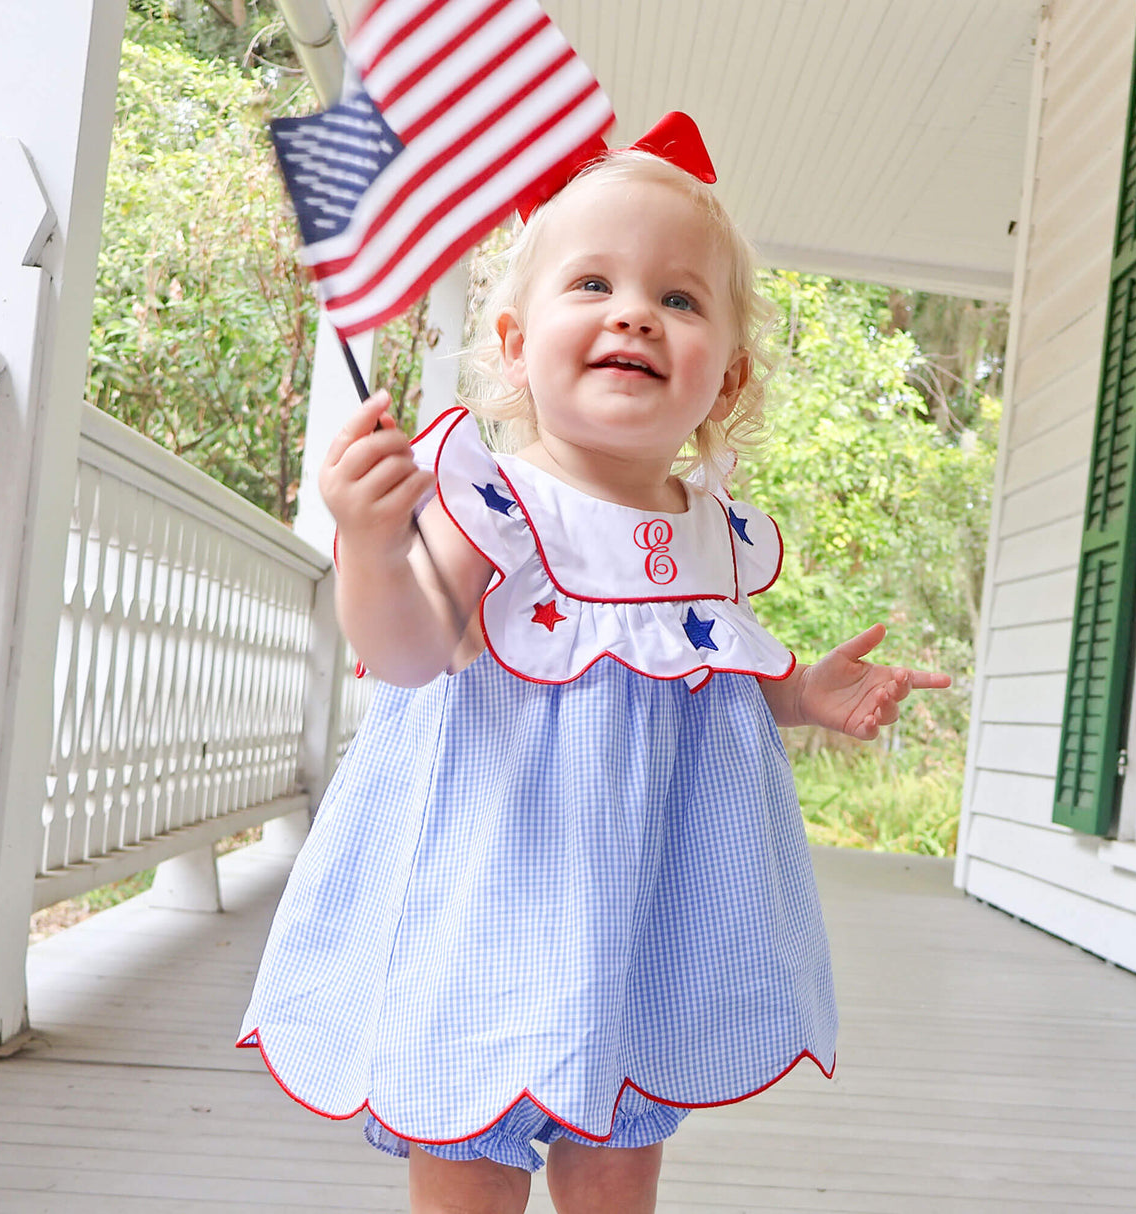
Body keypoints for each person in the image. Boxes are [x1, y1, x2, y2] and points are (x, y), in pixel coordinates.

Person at [239, 116, 950, 1214]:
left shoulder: (711, 530)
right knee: (469, 1155)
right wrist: (374, 546)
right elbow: (411, 651)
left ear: (725, 376)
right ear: (516, 341)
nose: (633, 312)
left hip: (639, 915)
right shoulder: (496, 497)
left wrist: (801, 693)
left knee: (618, 1166)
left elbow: (698, 661)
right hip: (487, 899)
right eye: (592, 284)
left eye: (678, 298)